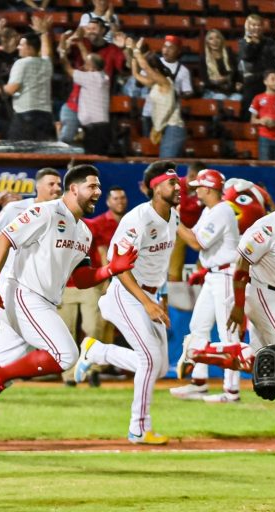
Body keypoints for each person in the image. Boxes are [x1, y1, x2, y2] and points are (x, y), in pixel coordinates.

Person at [0, 165, 137, 459]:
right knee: (65, 354)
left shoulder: (83, 231)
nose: (97, 192)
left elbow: (79, 279)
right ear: (73, 189)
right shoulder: (46, 212)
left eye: (98, 187)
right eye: (91, 186)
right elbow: (3, 239)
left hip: (37, 301)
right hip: (20, 293)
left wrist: (109, 269)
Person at [182, 179, 275, 442]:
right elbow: (241, 265)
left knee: (261, 360)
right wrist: (237, 306)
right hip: (265, 295)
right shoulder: (271, 225)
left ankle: (199, 351)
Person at [74, 161, 180, 445]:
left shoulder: (173, 216)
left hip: (151, 293)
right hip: (126, 294)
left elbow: (162, 262)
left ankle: (96, 352)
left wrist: (162, 298)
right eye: (172, 183)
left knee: (158, 367)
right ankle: (139, 428)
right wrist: (146, 302)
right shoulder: (137, 219)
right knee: (148, 360)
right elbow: (119, 266)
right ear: (155, 188)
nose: (178, 186)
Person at [0, 168, 62, 393]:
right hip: (8, 275)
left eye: (58, 184)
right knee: (4, 316)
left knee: (5, 356)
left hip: (35, 284)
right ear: (38, 186)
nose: (56, 188)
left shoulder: (60, 213)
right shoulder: (16, 208)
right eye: (51, 183)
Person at [168, 169, 242, 403]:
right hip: (213, 275)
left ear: (209, 188)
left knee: (227, 334)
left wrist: (173, 219)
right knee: (198, 326)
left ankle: (231, 391)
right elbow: (193, 235)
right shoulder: (210, 210)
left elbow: (197, 243)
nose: (196, 190)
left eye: (199, 186)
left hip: (227, 275)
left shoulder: (222, 210)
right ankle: (198, 383)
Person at [59, 186, 127, 384]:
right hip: (64, 286)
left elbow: (103, 252)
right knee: (66, 331)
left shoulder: (90, 225)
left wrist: (106, 279)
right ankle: (69, 376)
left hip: (89, 283)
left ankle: (94, 369)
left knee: (92, 327)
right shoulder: (52, 224)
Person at [131, 39, 185, 158]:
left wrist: (135, 49)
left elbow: (145, 67)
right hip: (165, 128)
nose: (147, 73)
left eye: (150, 70)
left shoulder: (165, 82)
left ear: (154, 69)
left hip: (174, 127)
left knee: (165, 164)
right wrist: (135, 53)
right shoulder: (155, 83)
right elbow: (136, 74)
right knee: (165, 164)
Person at [4, 17, 54, 141]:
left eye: (21, 45)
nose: (18, 48)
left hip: (25, 115)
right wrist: (43, 33)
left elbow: (11, 89)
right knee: (43, 154)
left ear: (30, 48)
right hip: (46, 115)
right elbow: (46, 52)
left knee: (19, 154)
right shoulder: (47, 63)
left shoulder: (21, 63)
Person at [59, 39, 110, 155]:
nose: (83, 65)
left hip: (95, 128)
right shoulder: (103, 76)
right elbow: (90, 60)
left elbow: (68, 69)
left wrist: (62, 54)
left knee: (94, 157)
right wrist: (81, 45)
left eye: (86, 63)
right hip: (99, 126)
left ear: (92, 67)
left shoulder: (90, 78)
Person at [239, 15, 275, 121]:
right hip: (252, 81)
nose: (256, 28)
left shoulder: (268, 42)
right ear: (248, 26)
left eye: (259, 25)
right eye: (253, 25)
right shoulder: (243, 42)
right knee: (248, 105)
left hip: (268, 81)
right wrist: (249, 38)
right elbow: (247, 55)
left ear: (263, 27)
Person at [168, 161, 205, 282]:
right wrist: (199, 202)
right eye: (191, 176)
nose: (192, 180)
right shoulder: (177, 185)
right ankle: (174, 296)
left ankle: (203, 284)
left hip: (199, 230)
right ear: (189, 174)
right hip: (179, 230)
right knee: (174, 266)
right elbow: (181, 206)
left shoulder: (204, 187)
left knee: (206, 260)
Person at [200, 29, 242, 101]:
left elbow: (237, 73)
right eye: (211, 39)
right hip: (213, 90)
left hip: (230, 90)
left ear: (221, 40)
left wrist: (239, 83)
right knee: (220, 97)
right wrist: (215, 82)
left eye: (217, 38)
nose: (215, 41)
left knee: (238, 98)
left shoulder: (229, 54)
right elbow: (205, 80)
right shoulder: (204, 58)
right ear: (207, 43)